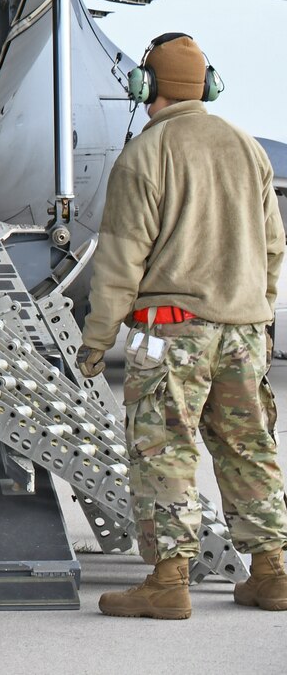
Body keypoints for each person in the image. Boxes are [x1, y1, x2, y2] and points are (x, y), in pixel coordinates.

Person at [76, 33, 287, 620]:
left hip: (171, 331)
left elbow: (120, 262)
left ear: (147, 87)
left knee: (164, 449)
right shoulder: (248, 147)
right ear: (208, 86)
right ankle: (272, 574)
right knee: (249, 445)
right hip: (244, 328)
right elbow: (274, 245)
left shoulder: (146, 154)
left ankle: (168, 583)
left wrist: (96, 342)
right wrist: (258, 311)